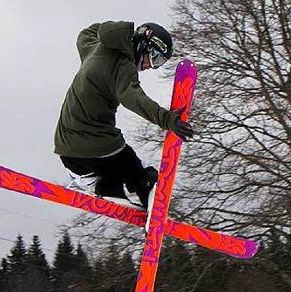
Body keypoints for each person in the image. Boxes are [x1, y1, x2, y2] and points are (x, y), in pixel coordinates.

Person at [54, 21, 194, 209]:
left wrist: (118, 32)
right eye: (154, 58)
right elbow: (135, 99)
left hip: (66, 148)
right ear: (142, 45)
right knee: (132, 166)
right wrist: (168, 120)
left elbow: (86, 33)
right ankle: (147, 189)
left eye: (158, 63)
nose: (149, 67)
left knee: (114, 164)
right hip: (92, 143)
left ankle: (103, 188)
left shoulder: (95, 47)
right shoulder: (123, 66)